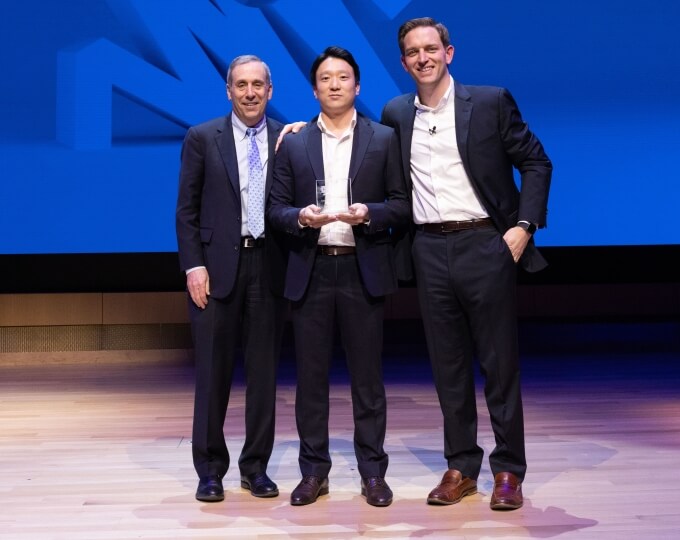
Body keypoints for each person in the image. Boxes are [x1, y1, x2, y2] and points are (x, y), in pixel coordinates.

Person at [380, 17, 552, 510]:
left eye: (431, 49)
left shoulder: (490, 101)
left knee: (499, 364)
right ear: (403, 61)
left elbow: (536, 161)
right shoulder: (396, 114)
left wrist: (523, 227)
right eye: (413, 52)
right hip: (429, 249)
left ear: (449, 53)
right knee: (447, 365)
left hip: (485, 243)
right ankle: (460, 466)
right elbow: (363, 151)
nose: (423, 58)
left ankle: (508, 472)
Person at [267, 46, 410, 507]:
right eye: (325, 78)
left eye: (343, 77)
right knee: (310, 380)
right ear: (314, 89)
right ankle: (314, 472)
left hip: (360, 268)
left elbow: (403, 204)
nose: (334, 84)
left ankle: (373, 472)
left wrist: (371, 213)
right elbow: (275, 208)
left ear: (357, 86)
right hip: (311, 268)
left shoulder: (384, 138)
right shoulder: (293, 140)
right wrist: (300, 219)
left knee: (367, 380)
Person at [175, 55, 288, 502]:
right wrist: (193, 265)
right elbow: (186, 209)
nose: (249, 92)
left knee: (264, 375)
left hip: (269, 265)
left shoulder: (288, 138)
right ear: (228, 90)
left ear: (270, 90)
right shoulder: (202, 137)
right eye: (241, 84)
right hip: (216, 268)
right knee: (213, 373)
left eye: (258, 84)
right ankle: (209, 470)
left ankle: (255, 468)